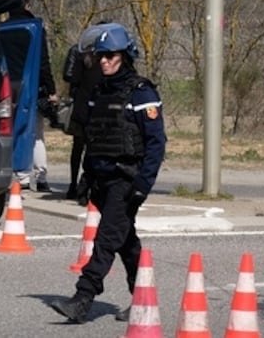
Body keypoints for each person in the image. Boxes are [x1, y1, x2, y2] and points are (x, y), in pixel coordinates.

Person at [48, 23, 166, 324]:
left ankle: (83, 298)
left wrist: (143, 184)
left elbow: (156, 142)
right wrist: (87, 176)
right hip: (102, 178)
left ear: (124, 56)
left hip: (126, 181)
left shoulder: (142, 93)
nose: (103, 61)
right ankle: (143, 299)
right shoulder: (99, 91)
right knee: (125, 241)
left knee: (105, 240)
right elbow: (92, 136)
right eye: (100, 56)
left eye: (110, 55)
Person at [7, 0, 58, 192]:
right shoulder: (34, 29)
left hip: (7, 86)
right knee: (36, 134)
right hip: (32, 86)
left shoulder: (3, 29)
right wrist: (51, 89)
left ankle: (22, 176)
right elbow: (43, 62)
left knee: (12, 130)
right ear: (26, 5)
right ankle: (41, 176)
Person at [60, 22, 109, 200]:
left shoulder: (82, 53)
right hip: (99, 106)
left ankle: (75, 184)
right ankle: (88, 185)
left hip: (83, 104)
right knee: (95, 148)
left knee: (78, 147)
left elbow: (71, 76)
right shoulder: (108, 57)